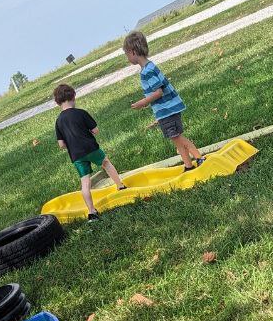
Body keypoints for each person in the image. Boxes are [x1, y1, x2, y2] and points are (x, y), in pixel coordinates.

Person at [123, 31, 206, 170]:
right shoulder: (149, 66)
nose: (127, 58)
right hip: (168, 109)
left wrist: (143, 102)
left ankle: (199, 157)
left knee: (178, 138)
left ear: (132, 52)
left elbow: (158, 92)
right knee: (176, 139)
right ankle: (188, 165)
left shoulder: (147, 71)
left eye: (126, 54)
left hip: (167, 110)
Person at [53, 83, 128, 221]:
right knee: (105, 163)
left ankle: (92, 212)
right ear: (73, 96)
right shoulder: (81, 113)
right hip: (90, 148)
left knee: (85, 181)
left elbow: (61, 144)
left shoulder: (58, 121)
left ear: (57, 102)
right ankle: (120, 185)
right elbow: (95, 130)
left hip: (76, 155)